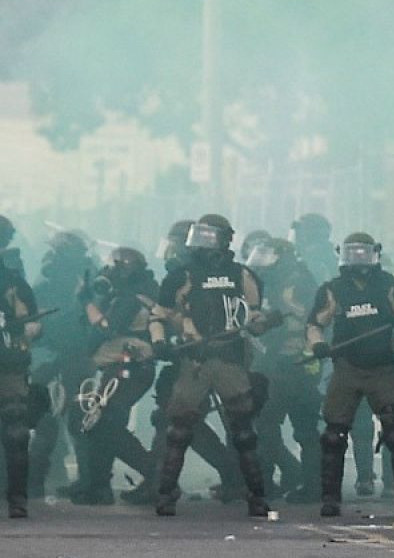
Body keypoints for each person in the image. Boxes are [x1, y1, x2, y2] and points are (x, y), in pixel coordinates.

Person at [148, 215, 273, 517]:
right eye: (198, 236)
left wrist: (260, 324)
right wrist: (159, 342)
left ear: (225, 240)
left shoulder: (242, 275)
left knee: (244, 431)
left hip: (230, 358)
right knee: (178, 430)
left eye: (208, 237)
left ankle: (256, 496)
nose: (201, 244)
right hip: (196, 360)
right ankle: (165, 496)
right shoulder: (182, 276)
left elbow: (255, 315)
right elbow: (159, 314)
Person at [305, 233, 394, 517]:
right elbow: (315, 324)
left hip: (382, 369)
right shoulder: (333, 290)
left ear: (375, 254)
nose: (357, 258)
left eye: (363, 252)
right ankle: (330, 498)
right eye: (351, 252)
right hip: (347, 368)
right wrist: (318, 345)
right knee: (333, 435)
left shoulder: (391, 287)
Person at [74, 248, 160, 504]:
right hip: (121, 367)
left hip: (128, 368)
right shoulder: (133, 290)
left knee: (107, 424)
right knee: (101, 423)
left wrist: (87, 300)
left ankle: (156, 477)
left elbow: (108, 327)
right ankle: (97, 486)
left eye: (114, 267)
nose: (109, 271)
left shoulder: (133, 296)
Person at [247, 237, 323, 501]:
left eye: (267, 255)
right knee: (303, 427)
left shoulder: (292, 282)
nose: (261, 260)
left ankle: (267, 483)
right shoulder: (291, 278)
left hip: (288, 362)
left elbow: (293, 321)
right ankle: (311, 484)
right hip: (292, 363)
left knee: (268, 422)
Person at [28, 230, 96, 498]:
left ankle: (45, 478)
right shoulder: (71, 281)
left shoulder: (80, 282)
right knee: (55, 417)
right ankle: (47, 477)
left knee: (74, 417)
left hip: (69, 355)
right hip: (60, 354)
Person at [0, 245, 42, 517]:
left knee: (16, 432)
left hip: (8, 367)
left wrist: (17, 328)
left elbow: (35, 326)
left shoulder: (13, 285)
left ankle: (17, 499)